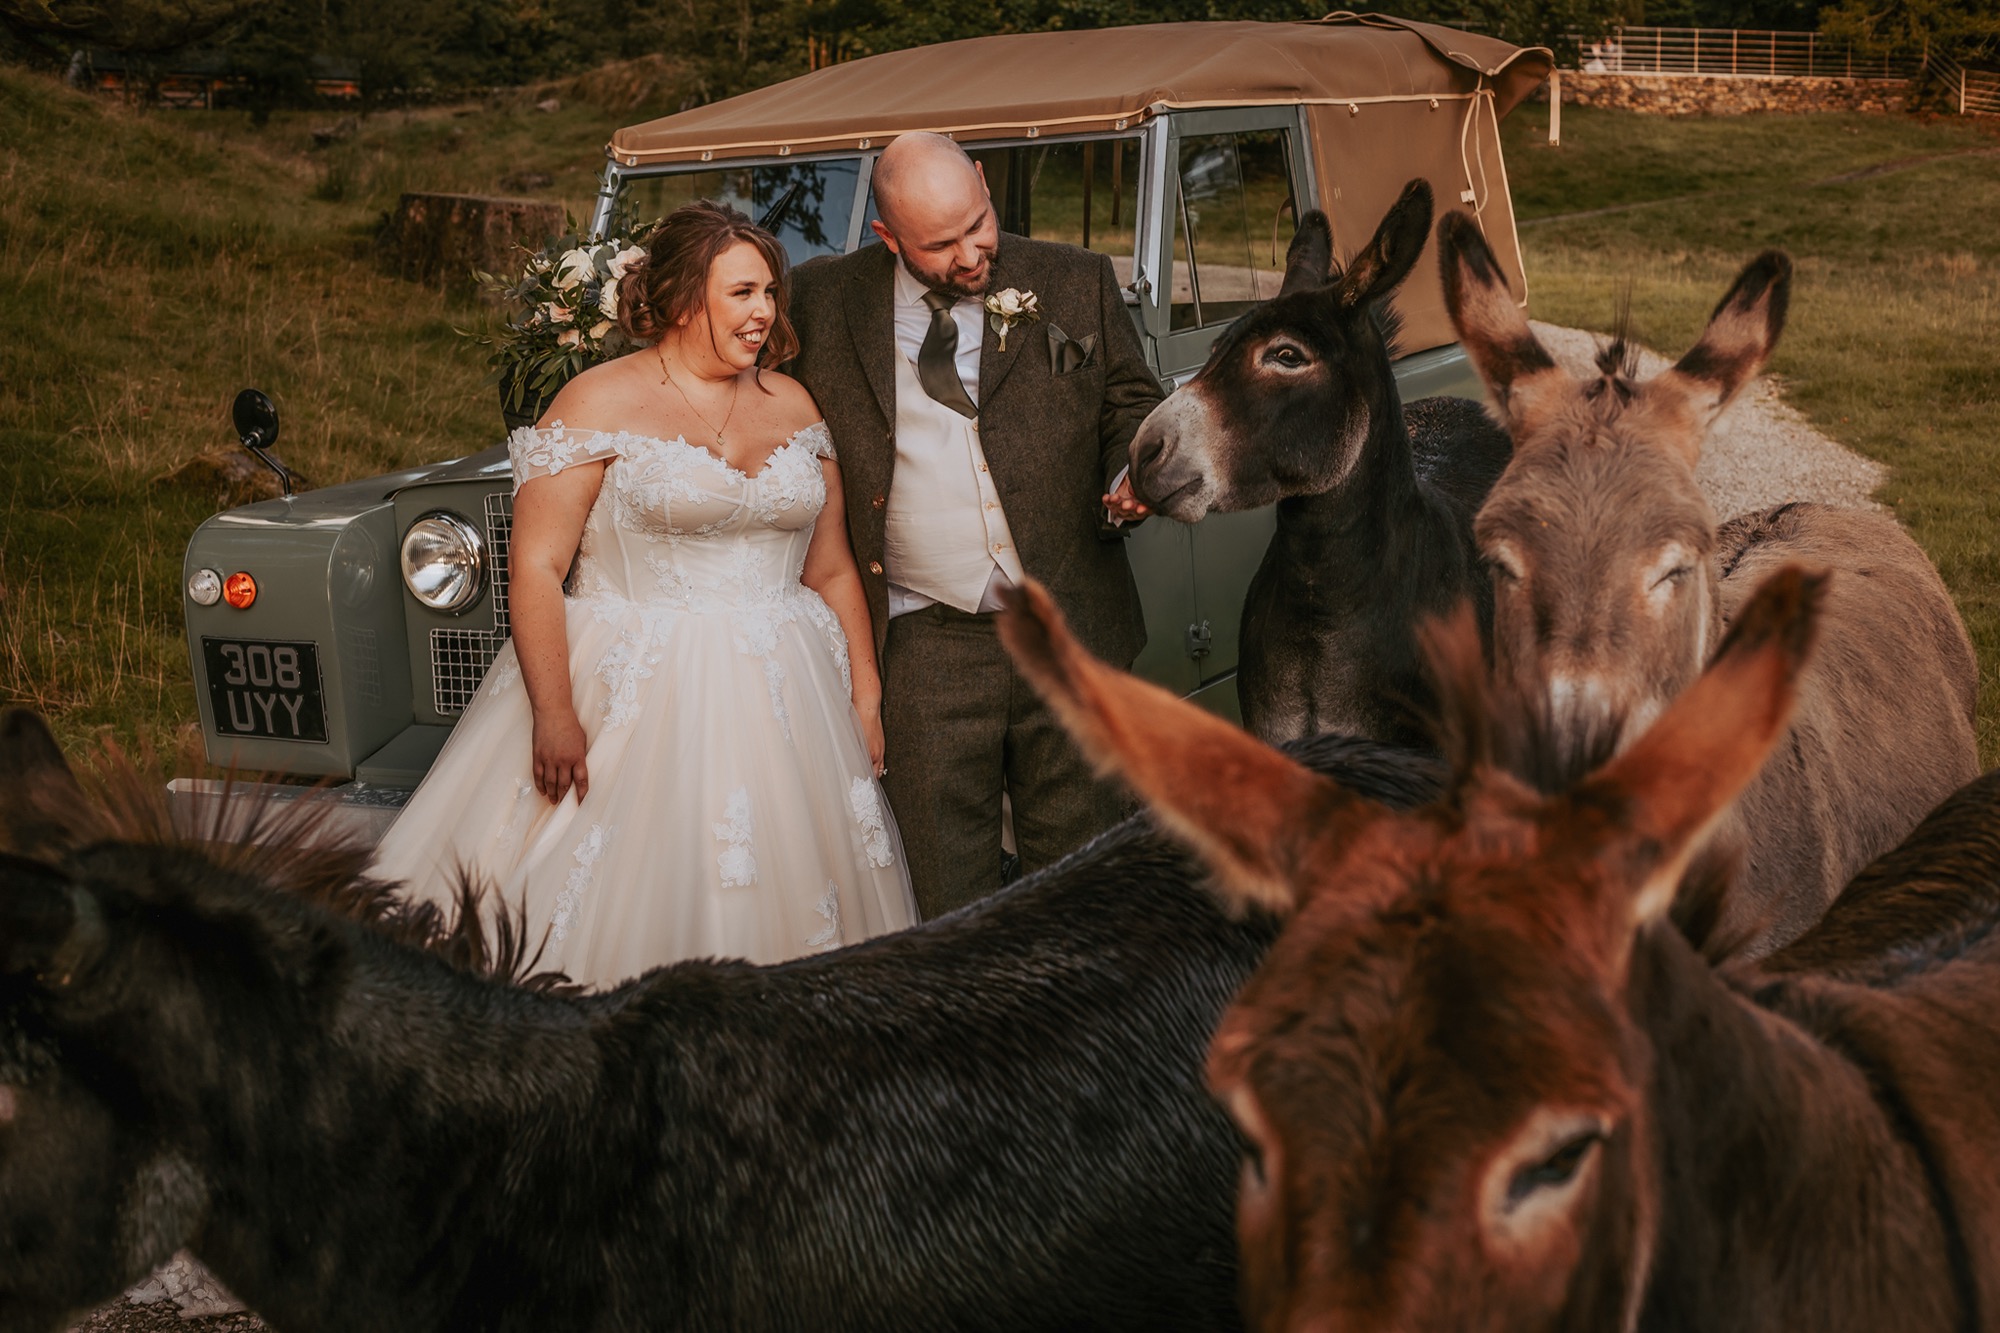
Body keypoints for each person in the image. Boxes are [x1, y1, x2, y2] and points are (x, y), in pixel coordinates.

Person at [372, 201, 917, 987]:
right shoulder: (596, 403)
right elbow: (535, 566)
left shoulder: (793, 406)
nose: (765, 311)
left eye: (769, 291)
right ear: (682, 300)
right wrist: (554, 711)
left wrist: (864, 695)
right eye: (742, 293)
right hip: (635, 689)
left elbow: (830, 568)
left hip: (792, 695)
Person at [788, 131, 1164, 920]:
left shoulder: (1075, 278)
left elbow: (1131, 404)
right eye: (939, 244)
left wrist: (1132, 471)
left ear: (987, 186)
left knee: (1087, 882)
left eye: (977, 225)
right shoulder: (823, 300)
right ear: (887, 238)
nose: (969, 254)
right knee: (944, 899)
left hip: (1071, 627)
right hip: (921, 642)